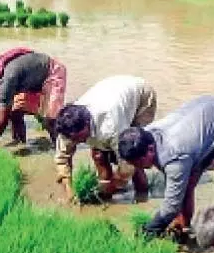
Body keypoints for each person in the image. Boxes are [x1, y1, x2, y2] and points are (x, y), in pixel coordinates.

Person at [117, 95, 214, 239]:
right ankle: (185, 227)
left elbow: (171, 206)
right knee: (187, 183)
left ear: (150, 149)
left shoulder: (174, 157)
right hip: (204, 116)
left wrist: (150, 230)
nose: (138, 167)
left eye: (139, 163)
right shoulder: (144, 135)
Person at [54, 75, 157, 203]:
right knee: (98, 155)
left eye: (77, 138)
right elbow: (62, 159)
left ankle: (142, 196)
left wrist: (113, 185)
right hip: (110, 93)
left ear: (86, 124)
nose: (74, 142)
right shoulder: (68, 126)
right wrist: (69, 191)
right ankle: (106, 194)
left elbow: (127, 166)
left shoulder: (110, 126)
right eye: (72, 139)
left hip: (142, 97)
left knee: (135, 153)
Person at [0, 48, 67, 149]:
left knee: (49, 120)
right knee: (15, 112)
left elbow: (2, 121)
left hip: (52, 73)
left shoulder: (6, 81)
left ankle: (61, 152)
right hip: (30, 80)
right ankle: (20, 143)